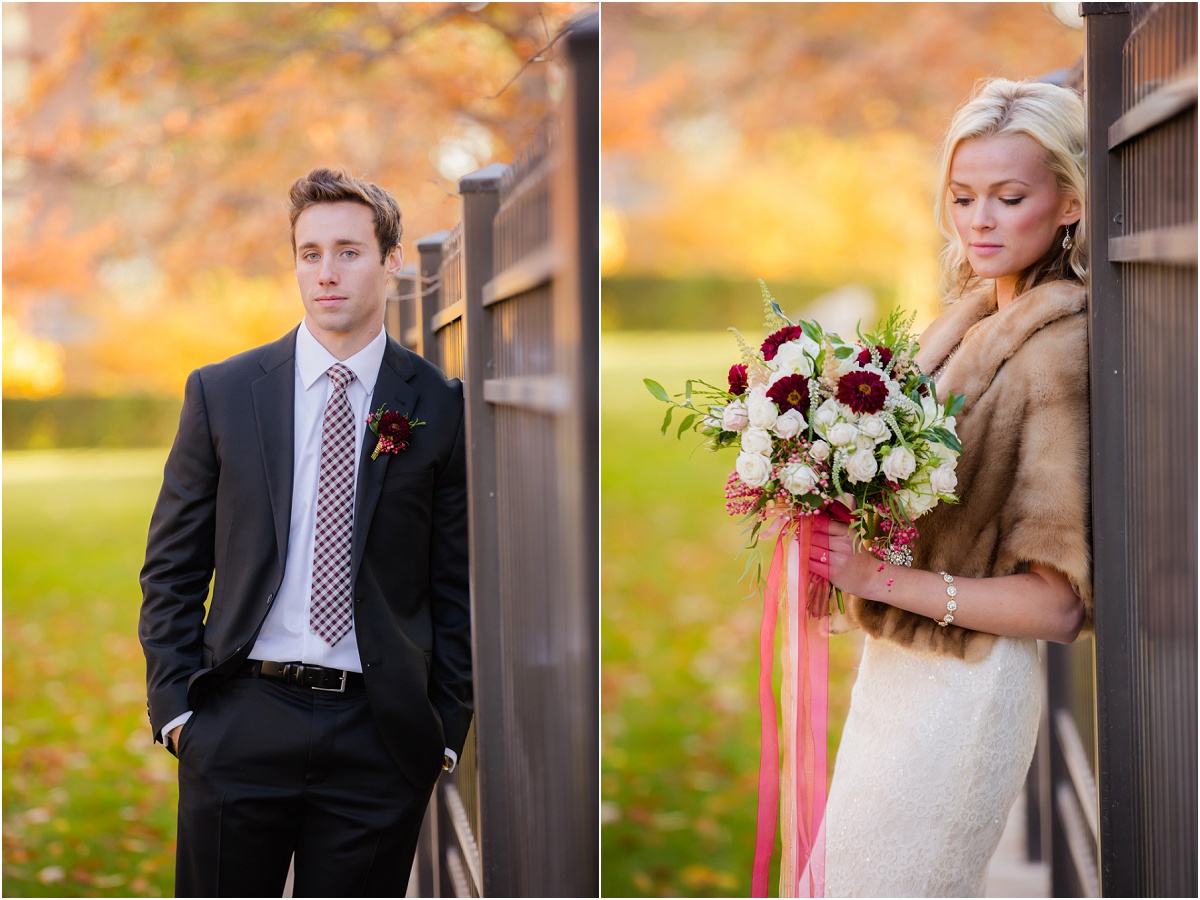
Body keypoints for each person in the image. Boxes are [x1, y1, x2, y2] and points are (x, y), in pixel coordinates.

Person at [139, 167, 473, 896]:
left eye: (348, 252)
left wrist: (444, 731)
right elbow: (171, 564)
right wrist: (176, 712)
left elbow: (455, 582)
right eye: (310, 253)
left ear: (389, 260)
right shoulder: (223, 393)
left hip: (377, 736)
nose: (326, 273)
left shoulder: (437, 407)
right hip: (237, 720)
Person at [808, 78, 1091, 896]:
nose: (980, 220)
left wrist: (873, 577)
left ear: (1068, 204)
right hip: (897, 673)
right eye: (964, 197)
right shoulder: (964, 322)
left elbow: (1059, 605)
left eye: (1009, 197)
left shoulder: (1052, 354)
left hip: (966, 692)